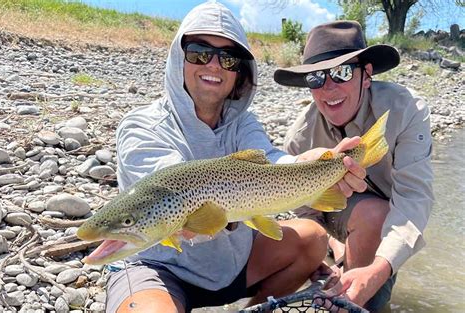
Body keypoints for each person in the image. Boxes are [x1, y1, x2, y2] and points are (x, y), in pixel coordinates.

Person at [106, 3, 367, 313]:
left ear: (239, 71)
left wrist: (309, 166)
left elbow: (269, 162)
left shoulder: (243, 123)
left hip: (232, 264)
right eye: (199, 52)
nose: (214, 65)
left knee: (314, 239)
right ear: (179, 57)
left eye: (228, 58)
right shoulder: (142, 126)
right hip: (160, 269)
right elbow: (173, 189)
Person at [274, 20, 434, 311]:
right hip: (338, 217)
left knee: (375, 292)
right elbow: (307, 214)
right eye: (315, 78)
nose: (328, 88)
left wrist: (380, 269)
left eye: (341, 72)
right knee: (371, 220)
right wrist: (329, 255)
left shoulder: (406, 110)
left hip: (390, 218)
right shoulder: (298, 139)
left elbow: (413, 199)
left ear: (367, 75)